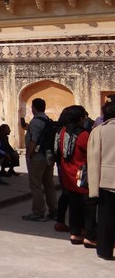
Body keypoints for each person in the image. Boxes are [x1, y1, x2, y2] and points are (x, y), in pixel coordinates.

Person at [56, 105, 96, 247]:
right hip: (82, 175)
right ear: (80, 118)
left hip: (68, 175)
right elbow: (92, 153)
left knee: (74, 205)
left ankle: (75, 233)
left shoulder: (62, 132)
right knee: (88, 207)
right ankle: (89, 236)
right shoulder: (83, 134)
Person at [22, 98, 58, 221]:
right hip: (48, 156)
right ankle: (54, 210)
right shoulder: (47, 120)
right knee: (49, 184)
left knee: (36, 185)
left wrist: (28, 155)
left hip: (38, 156)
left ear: (34, 108)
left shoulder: (35, 122)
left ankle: (38, 212)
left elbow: (33, 140)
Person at [88, 101, 115, 261]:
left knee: (105, 218)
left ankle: (104, 250)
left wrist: (93, 188)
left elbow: (93, 160)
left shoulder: (99, 132)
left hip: (106, 181)